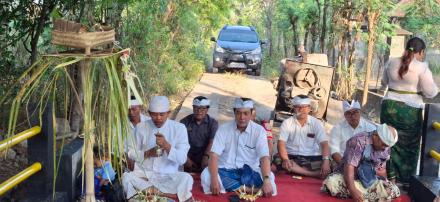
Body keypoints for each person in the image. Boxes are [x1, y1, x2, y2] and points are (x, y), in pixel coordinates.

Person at [381, 37, 438, 185]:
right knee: (410, 147)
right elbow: (430, 92)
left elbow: (384, 82)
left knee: (387, 141)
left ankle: (388, 177)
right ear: (421, 52)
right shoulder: (422, 67)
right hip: (410, 111)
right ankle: (405, 181)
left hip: (389, 107)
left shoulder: (391, 61)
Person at [122, 96, 193, 201]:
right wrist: (148, 153)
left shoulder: (179, 128)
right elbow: (130, 152)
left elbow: (182, 159)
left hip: (168, 176)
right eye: (154, 114)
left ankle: (149, 194)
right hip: (145, 175)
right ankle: (166, 195)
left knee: (186, 178)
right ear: (149, 113)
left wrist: (167, 146)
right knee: (126, 177)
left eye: (161, 114)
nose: (158, 118)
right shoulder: (141, 127)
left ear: (168, 113)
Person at [201, 97, 277, 197]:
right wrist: (214, 179)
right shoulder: (224, 129)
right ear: (234, 113)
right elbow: (214, 155)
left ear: (251, 114)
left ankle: (237, 188)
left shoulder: (259, 131)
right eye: (238, 113)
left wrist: (266, 181)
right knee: (206, 175)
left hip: (250, 172)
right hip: (226, 170)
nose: (242, 117)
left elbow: (264, 157)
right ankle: (250, 190)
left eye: (245, 113)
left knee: (270, 178)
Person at [322, 124, 401, 202]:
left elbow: (382, 169)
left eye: (387, 146)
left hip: (370, 181)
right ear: (375, 135)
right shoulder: (358, 141)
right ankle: (368, 196)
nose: (385, 148)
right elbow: (349, 167)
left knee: (393, 190)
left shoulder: (386, 147)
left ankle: (363, 196)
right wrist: (352, 190)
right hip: (349, 178)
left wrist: (382, 177)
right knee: (330, 183)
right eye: (384, 145)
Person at [273, 95, 331, 178]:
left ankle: (296, 170)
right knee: (276, 163)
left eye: (304, 107)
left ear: (309, 108)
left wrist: (326, 161)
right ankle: (311, 174)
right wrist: (285, 159)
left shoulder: (317, 123)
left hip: (311, 158)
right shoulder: (287, 123)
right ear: (294, 108)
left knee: (329, 165)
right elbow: (281, 144)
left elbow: (324, 144)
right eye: (298, 107)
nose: (301, 110)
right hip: (290, 156)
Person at [330, 100, 376, 164]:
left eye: (355, 112)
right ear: (345, 115)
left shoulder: (370, 128)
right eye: (348, 113)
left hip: (364, 164)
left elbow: (376, 150)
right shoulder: (337, 128)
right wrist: (345, 166)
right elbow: (334, 151)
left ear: (360, 112)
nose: (353, 116)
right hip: (342, 163)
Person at [180, 96, 219, 173]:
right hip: (188, 155)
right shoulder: (184, 122)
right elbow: (179, 143)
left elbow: (212, 142)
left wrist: (206, 157)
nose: (199, 111)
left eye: (203, 108)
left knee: (208, 174)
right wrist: (186, 159)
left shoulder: (213, 123)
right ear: (193, 108)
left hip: (205, 154)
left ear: (207, 109)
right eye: (196, 108)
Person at [125, 96, 150, 171]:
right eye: (128, 110)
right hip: (127, 160)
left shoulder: (149, 122)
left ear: (140, 107)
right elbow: (115, 148)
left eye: (134, 109)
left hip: (147, 159)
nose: (131, 112)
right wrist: (126, 158)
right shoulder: (120, 125)